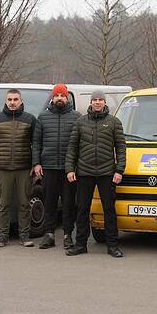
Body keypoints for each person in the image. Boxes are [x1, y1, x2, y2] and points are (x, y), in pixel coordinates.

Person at [65, 90, 126, 258]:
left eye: (100, 100)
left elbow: (121, 148)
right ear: (90, 102)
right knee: (82, 209)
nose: (97, 102)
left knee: (109, 209)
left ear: (104, 103)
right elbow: (72, 148)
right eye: (95, 100)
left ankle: (112, 246)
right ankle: (80, 245)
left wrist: (119, 170)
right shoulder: (80, 122)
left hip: (107, 172)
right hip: (84, 172)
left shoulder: (114, 122)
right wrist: (69, 169)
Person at [0, 89, 37, 248]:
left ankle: (24, 236)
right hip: (3, 169)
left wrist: (35, 164)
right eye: (9, 99)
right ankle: (3, 236)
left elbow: (36, 144)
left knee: (24, 204)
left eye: (15, 99)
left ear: (21, 100)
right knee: (3, 204)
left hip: (24, 169)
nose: (12, 102)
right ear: (5, 100)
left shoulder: (30, 119)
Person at [32, 83, 81, 250]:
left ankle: (68, 235)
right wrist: (37, 163)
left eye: (62, 96)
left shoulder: (76, 117)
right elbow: (36, 142)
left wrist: (75, 166)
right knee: (49, 202)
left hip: (69, 169)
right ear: (52, 98)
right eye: (57, 95)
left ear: (67, 98)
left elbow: (80, 144)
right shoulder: (43, 117)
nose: (59, 98)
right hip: (48, 167)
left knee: (68, 203)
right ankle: (49, 235)